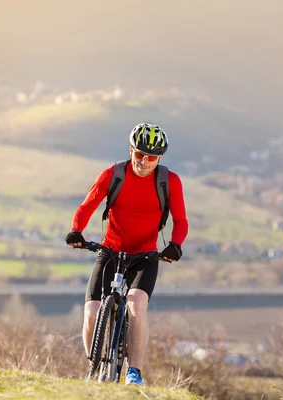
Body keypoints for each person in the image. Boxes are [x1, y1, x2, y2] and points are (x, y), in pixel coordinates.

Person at [65, 122, 189, 385]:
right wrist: (76, 230)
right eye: (139, 154)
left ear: (160, 158)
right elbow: (87, 206)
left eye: (152, 157)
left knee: (136, 304)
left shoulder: (169, 182)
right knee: (91, 312)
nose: (144, 162)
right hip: (110, 251)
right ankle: (95, 366)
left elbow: (181, 220)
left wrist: (175, 245)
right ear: (130, 150)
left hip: (145, 256)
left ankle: (134, 372)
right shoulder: (113, 174)